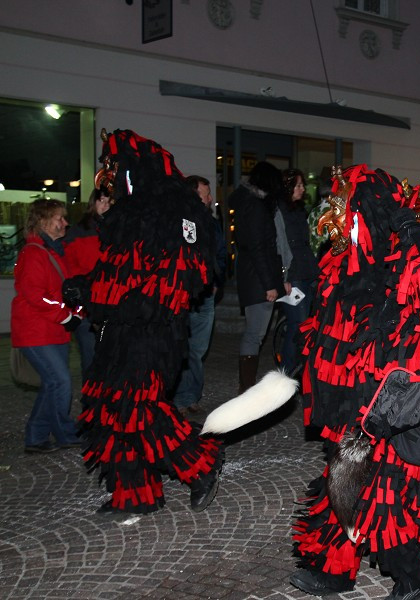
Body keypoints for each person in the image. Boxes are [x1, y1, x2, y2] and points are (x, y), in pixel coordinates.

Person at [290, 166, 420, 600]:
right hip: (384, 409)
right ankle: (373, 574)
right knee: (370, 492)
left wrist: (376, 416)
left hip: (416, 420)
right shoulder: (392, 275)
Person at [74, 129, 222, 514]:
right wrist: (87, 290)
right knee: (109, 409)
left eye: (114, 165)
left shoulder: (173, 207)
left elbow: (185, 274)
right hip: (118, 330)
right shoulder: (127, 212)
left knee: (137, 406)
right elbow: (116, 273)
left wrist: (131, 301)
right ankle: (135, 493)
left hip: (153, 332)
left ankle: (201, 462)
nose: (108, 173)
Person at [13, 198, 82, 454]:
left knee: (53, 383)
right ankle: (64, 433)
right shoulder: (34, 253)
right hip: (37, 332)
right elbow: (35, 294)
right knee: (60, 382)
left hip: (51, 331)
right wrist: (66, 316)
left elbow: (59, 292)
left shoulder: (51, 251)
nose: (65, 223)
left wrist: (74, 312)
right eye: (60, 218)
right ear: (43, 221)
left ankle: (36, 437)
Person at [172, 175, 226, 413]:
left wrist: (216, 279)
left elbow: (221, 252)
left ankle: (190, 395)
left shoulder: (211, 224)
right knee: (186, 349)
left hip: (206, 294)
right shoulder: (179, 222)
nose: (210, 198)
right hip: (186, 295)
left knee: (198, 350)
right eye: (206, 194)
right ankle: (183, 397)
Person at [230, 161, 285, 392]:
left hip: (254, 277)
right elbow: (259, 248)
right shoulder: (255, 206)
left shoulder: (250, 204)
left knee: (256, 334)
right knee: (255, 334)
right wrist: (269, 284)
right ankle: (246, 388)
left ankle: (247, 387)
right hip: (257, 280)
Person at [62, 188, 111, 380]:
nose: (106, 206)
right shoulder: (78, 232)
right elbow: (70, 268)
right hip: (87, 305)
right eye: (102, 201)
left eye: (109, 202)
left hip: (111, 304)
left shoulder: (118, 231)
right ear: (93, 203)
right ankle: (91, 404)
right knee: (91, 357)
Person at [274, 169, 318, 374]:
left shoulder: (299, 210)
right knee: (297, 324)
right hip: (293, 275)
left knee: (304, 325)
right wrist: (285, 277)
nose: (302, 189)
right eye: (298, 185)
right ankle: (286, 372)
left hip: (307, 272)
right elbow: (280, 246)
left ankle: (298, 370)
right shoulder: (278, 210)